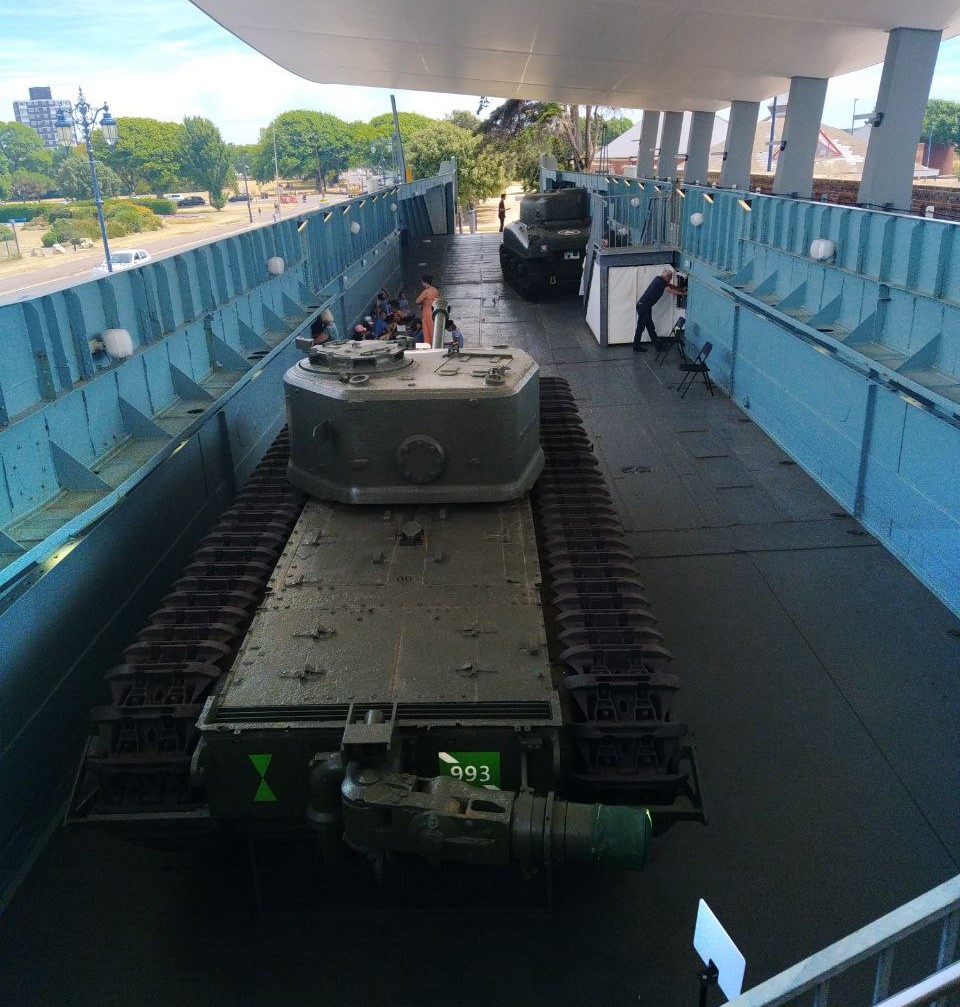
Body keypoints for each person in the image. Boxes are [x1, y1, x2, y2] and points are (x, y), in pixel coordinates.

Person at [633, 267, 682, 353]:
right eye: (670, 278)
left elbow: (670, 286)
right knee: (641, 327)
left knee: (650, 327)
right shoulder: (660, 281)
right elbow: (670, 290)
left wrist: (680, 289)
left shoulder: (659, 279)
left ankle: (657, 347)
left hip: (645, 306)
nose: (670, 280)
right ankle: (636, 346)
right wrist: (683, 293)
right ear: (666, 277)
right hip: (644, 306)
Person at [416, 274, 439, 345]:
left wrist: (424, 302)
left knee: (427, 329)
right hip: (434, 310)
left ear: (424, 282)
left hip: (427, 311)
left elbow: (417, 301)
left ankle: (428, 344)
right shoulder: (435, 290)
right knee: (433, 328)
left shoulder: (426, 291)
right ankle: (435, 343)